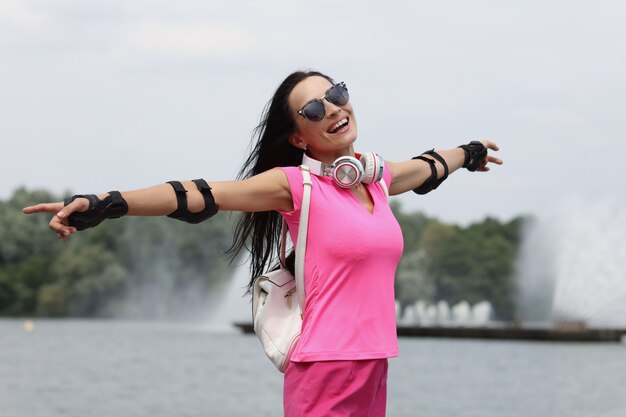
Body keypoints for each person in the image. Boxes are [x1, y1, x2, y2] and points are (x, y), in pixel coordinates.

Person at [23, 70, 502, 417]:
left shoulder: (378, 179)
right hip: (325, 368)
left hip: (375, 360)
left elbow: (433, 163)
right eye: (315, 109)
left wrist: (472, 153)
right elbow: (198, 194)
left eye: (336, 94)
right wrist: (105, 203)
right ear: (299, 135)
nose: (333, 108)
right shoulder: (296, 186)